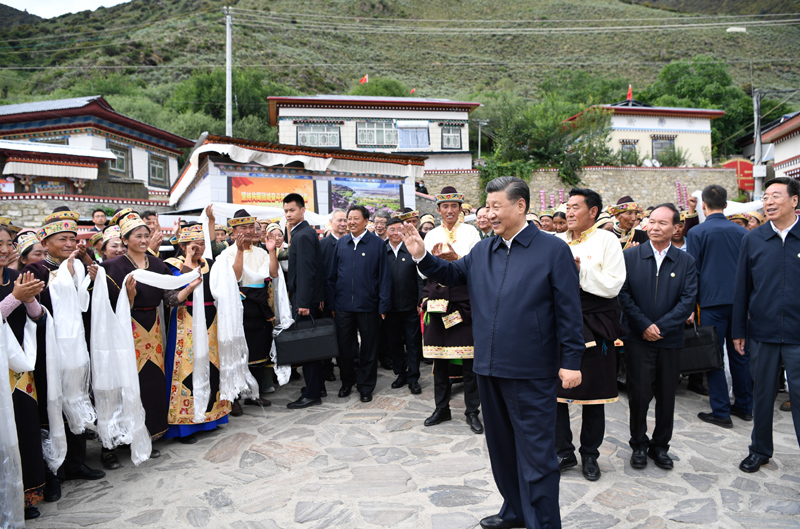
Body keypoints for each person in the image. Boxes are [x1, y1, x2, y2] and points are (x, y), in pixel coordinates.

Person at [402, 176, 584, 529]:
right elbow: (452, 273)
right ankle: (514, 510)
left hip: (531, 370)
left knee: (537, 455)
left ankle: (543, 522)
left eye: (496, 206)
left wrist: (572, 361)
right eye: (487, 206)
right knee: (501, 450)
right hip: (488, 366)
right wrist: (421, 255)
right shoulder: (485, 249)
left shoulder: (551, 250)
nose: (490, 213)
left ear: (520, 206)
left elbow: (569, 310)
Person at [99, 210, 201, 467]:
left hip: (152, 327)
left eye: (147, 235)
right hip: (124, 327)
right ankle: (116, 442)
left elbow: (168, 300)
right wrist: (128, 299)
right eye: (138, 235)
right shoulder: (112, 267)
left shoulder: (157, 265)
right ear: (125, 239)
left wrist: (188, 287)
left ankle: (147, 434)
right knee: (124, 381)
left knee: (151, 379)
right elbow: (103, 307)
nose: (143, 239)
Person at [22, 207, 104, 501]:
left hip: (75, 345)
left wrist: (87, 278)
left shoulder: (78, 265)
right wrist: (63, 278)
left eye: (72, 238)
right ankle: (52, 471)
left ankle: (76, 462)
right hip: (49, 348)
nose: (69, 244)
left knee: (78, 398)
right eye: (62, 239)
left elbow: (83, 305)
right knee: (52, 404)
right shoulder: (35, 271)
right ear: (45, 243)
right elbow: (36, 310)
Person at [618, 203, 698, 471]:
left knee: (667, 396)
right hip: (638, 339)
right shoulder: (630, 256)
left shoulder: (686, 261)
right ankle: (638, 445)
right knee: (639, 396)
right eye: (651, 221)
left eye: (662, 223)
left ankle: (660, 446)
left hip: (670, 340)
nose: (654, 227)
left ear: (676, 228)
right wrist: (643, 325)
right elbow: (623, 295)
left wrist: (661, 327)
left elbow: (687, 300)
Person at [555, 188, 626, 482]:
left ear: (593, 212)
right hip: (559, 324)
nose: (569, 212)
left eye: (575, 207)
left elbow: (613, 285)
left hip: (596, 323)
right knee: (555, 395)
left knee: (594, 396)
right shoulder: (555, 242)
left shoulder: (607, 240)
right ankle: (563, 451)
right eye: (567, 207)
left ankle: (590, 455)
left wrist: (580, 272)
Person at [733, 177, 800, 473]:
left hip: (799, 336)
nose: (768, 202)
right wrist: (738, 330)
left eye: (776, 196)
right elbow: (741, 288)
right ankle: (759, 450)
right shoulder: (753, 238)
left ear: (794, 200)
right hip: (762, 333)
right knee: (762, 395)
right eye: (766, 196)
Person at [687, 184, 752, 429]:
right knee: (741, 354)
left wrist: (692, 305)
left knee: (713, 356)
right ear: (726, 205)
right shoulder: (742, 233)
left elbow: (694, 271)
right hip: (739, 302)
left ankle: (721, 411)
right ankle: (745, 406)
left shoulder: (697, 233)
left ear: (703, 205)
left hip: (711, 303)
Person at [420, 187, 483, 434]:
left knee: (469, 362)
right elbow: (422, 270)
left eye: (454, 206)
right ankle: (441, 408)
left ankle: (472, 412)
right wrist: (434, 262)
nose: (449, 211)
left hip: (463, 302)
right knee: (440, 361)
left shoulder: (471, 232)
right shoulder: (432, 234)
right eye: (444, 207)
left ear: (460, 209)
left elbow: (477, 265)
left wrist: (456, 259)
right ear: (438, 210)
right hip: (437, 303)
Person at [161, 223, 230, 444]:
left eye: (201, 243)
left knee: (211, 365)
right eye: (193, 244)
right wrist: (188, 261)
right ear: (182, 245)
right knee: (185, 369)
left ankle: (211, 416)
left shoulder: (211, 264)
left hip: (211, 318)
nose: (198, 248)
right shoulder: (172, 265)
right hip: (185, 320)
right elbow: (171, 298)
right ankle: (184, 426)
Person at [0, 220, 47, 520]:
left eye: (8, 244)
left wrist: (29, 301)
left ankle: (25, 494)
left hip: (20, 368)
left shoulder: (18, 276)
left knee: (25, 428)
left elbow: (38, 317)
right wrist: (14, 298)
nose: (4, 250)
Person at [212, 208, 278, 414]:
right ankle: (235, 397)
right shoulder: (226, 254)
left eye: (251, 227)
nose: (248, 231)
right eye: (243, 228)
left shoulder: (261, 252)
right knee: (238, 351)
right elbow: (236, 278)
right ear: (233, 233)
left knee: (258, 349)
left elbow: (273, 273)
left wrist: (273, 251)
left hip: (259, 304)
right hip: (239, 306)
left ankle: (253, 393)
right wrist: (240, 251)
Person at [328, 205, 391, 403]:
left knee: (369, 348)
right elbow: (332, 276)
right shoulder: (341, 243)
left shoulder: (377, 244)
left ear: (366, 221)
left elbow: (384, 277)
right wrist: (333, 304)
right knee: (345, 348)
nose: (351, 222)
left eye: (356, 218)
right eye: (349, 218)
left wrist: (383, 305)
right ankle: (347, 382)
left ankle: (366, 386)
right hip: (343, 306)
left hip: (368, 306)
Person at [283, 193, 328, 409]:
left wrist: (303, 302)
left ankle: (312, 393)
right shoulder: (302, 233)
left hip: (304, 302)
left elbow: (307, 272)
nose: (288, 214)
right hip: (309, 299)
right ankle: (316, 386)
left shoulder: (303, 235)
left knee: (308, 347)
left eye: (292, 210)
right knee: (312, 346)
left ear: (302, 210)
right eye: (285, 211)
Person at [384, 216, 424, 395]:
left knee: (413, 343)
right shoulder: (381, 251)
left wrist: (420, 300)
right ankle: (400, 373)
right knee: (394, 343)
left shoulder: (411, 249)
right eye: (391, 229)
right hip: (390, 308)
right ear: (386, 231)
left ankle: (413, 377)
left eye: (398, 229)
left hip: (410, 307)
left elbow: (420, 277)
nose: (395, 233)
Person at [319, 208, 347, 382]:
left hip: (346, 298)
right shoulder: (322, 245)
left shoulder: (352, 243)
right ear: (331, 223)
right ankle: (327, 367)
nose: (343, 224)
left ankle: (347, 366)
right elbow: (319, 273)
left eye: (345, 220)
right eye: (339, 221)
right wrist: (321, 297)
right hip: (328, 298)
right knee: (328, 334)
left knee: (345, 335)